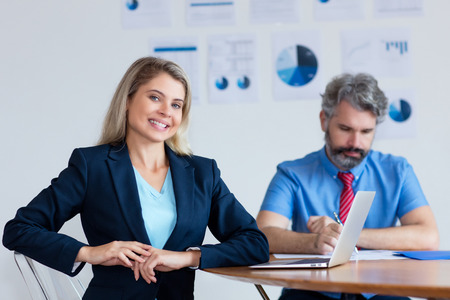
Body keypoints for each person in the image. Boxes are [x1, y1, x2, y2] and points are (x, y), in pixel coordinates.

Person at [3, 56, 269, 300]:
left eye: (176, 104)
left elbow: (255, 244)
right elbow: (19, 229)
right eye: (155, 98)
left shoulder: (202, 173)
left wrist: (188, 258)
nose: (167, 111)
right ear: (128, 100)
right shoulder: (91, 166)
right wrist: (90, 253)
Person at [256, 73, 439, 300]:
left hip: (381, 290)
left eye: (366, 132)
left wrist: (347, 236)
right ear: (324, 120)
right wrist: (314, 242)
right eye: (345, 129)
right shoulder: (292, 174)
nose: (355, 143)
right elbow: (262, 235)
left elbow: (428, 237)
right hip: (310, 290)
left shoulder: (397, 171)